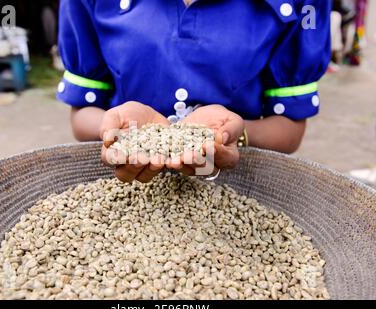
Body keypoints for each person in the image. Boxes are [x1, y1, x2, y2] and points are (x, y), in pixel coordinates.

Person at [57, 0, 331, 183]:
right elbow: (82, 115)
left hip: (237, 190)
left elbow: (289, 130)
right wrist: (120, 136)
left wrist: (233, 135)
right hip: (127, 188)